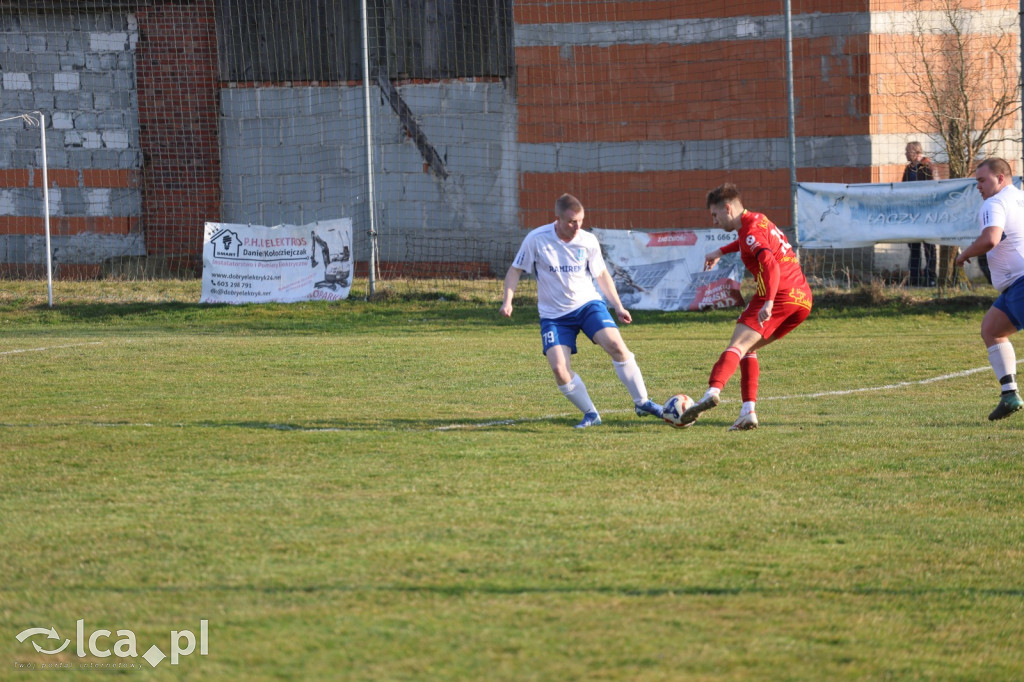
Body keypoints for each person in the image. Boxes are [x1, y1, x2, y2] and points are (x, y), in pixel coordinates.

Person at [500, 193, 663, 428]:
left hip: (587, 305)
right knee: (559, 369)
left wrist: (618, 306)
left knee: (617, 346)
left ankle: (642, 401)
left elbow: (602, 275)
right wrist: (508, 301)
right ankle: (591, 414)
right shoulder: (536, 239)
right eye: (571, 222)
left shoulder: (587, 240)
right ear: (557, 218)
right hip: (554, 316)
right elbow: (515, 270)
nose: (577, 226)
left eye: (580, 221)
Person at [675, 183, 813, 430]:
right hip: (801, 299)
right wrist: (720, 250)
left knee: (737, 346)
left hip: (777, 293)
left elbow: (769, 263)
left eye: (715, 215)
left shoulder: (749, 231)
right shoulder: (758, 220)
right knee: (748, 349)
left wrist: (768, 301)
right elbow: (748, 241)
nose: (715, 222)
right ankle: (747, 411)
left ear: (728, 209)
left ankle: (712, 392)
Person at [954, 157, 1024, 420]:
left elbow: (991, 238)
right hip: (1014, 287)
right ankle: (1009, 395)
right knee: (992, 330)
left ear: (1001, 179)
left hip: (1021, 283)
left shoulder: (994, 203)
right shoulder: (1020, 197)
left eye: (982, 180)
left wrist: (964, 254)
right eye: (976, 182)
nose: (979, 187)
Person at [902, 141, 937, 287]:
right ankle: (914, 277)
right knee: (913, 246)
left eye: (908, 151)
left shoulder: (927, 167)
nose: (905, 154)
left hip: (926, 213)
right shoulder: (908, 169)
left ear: (916, 152)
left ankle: (930, 277)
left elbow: (933, 188)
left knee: (929, 246)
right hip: (911, 213)